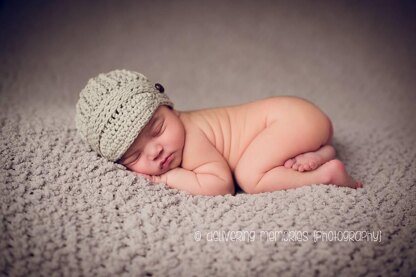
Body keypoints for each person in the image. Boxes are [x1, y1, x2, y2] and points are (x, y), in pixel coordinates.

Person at [75, 69, 362, 196]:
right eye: (134, 155)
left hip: (289, 119)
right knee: (261, 159)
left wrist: (166, 179)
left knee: (249, 176)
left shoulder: (192, 135)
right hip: (300, 119)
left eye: (158, 129)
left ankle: (325, 174)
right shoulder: (176, 132)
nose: (155, 151)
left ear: (170, 108)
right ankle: (320, 150)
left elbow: (220, 184)